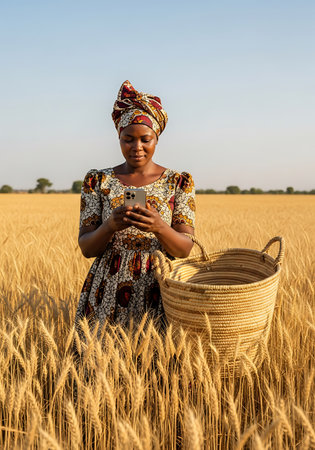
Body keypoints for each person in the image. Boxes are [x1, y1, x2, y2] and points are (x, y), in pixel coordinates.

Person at [74, 80, 196, 337]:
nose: (136, 147)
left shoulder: (179, 182)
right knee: (101, 366)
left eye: (145, 139)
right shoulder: (97, 180)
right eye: (128, 139)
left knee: (158, 365)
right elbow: (86, 248)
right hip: (107, 288)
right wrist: (110, 226)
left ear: (157, 138)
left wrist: (159, 227)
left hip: (162, 289)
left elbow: (184, 248)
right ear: (118, 137)